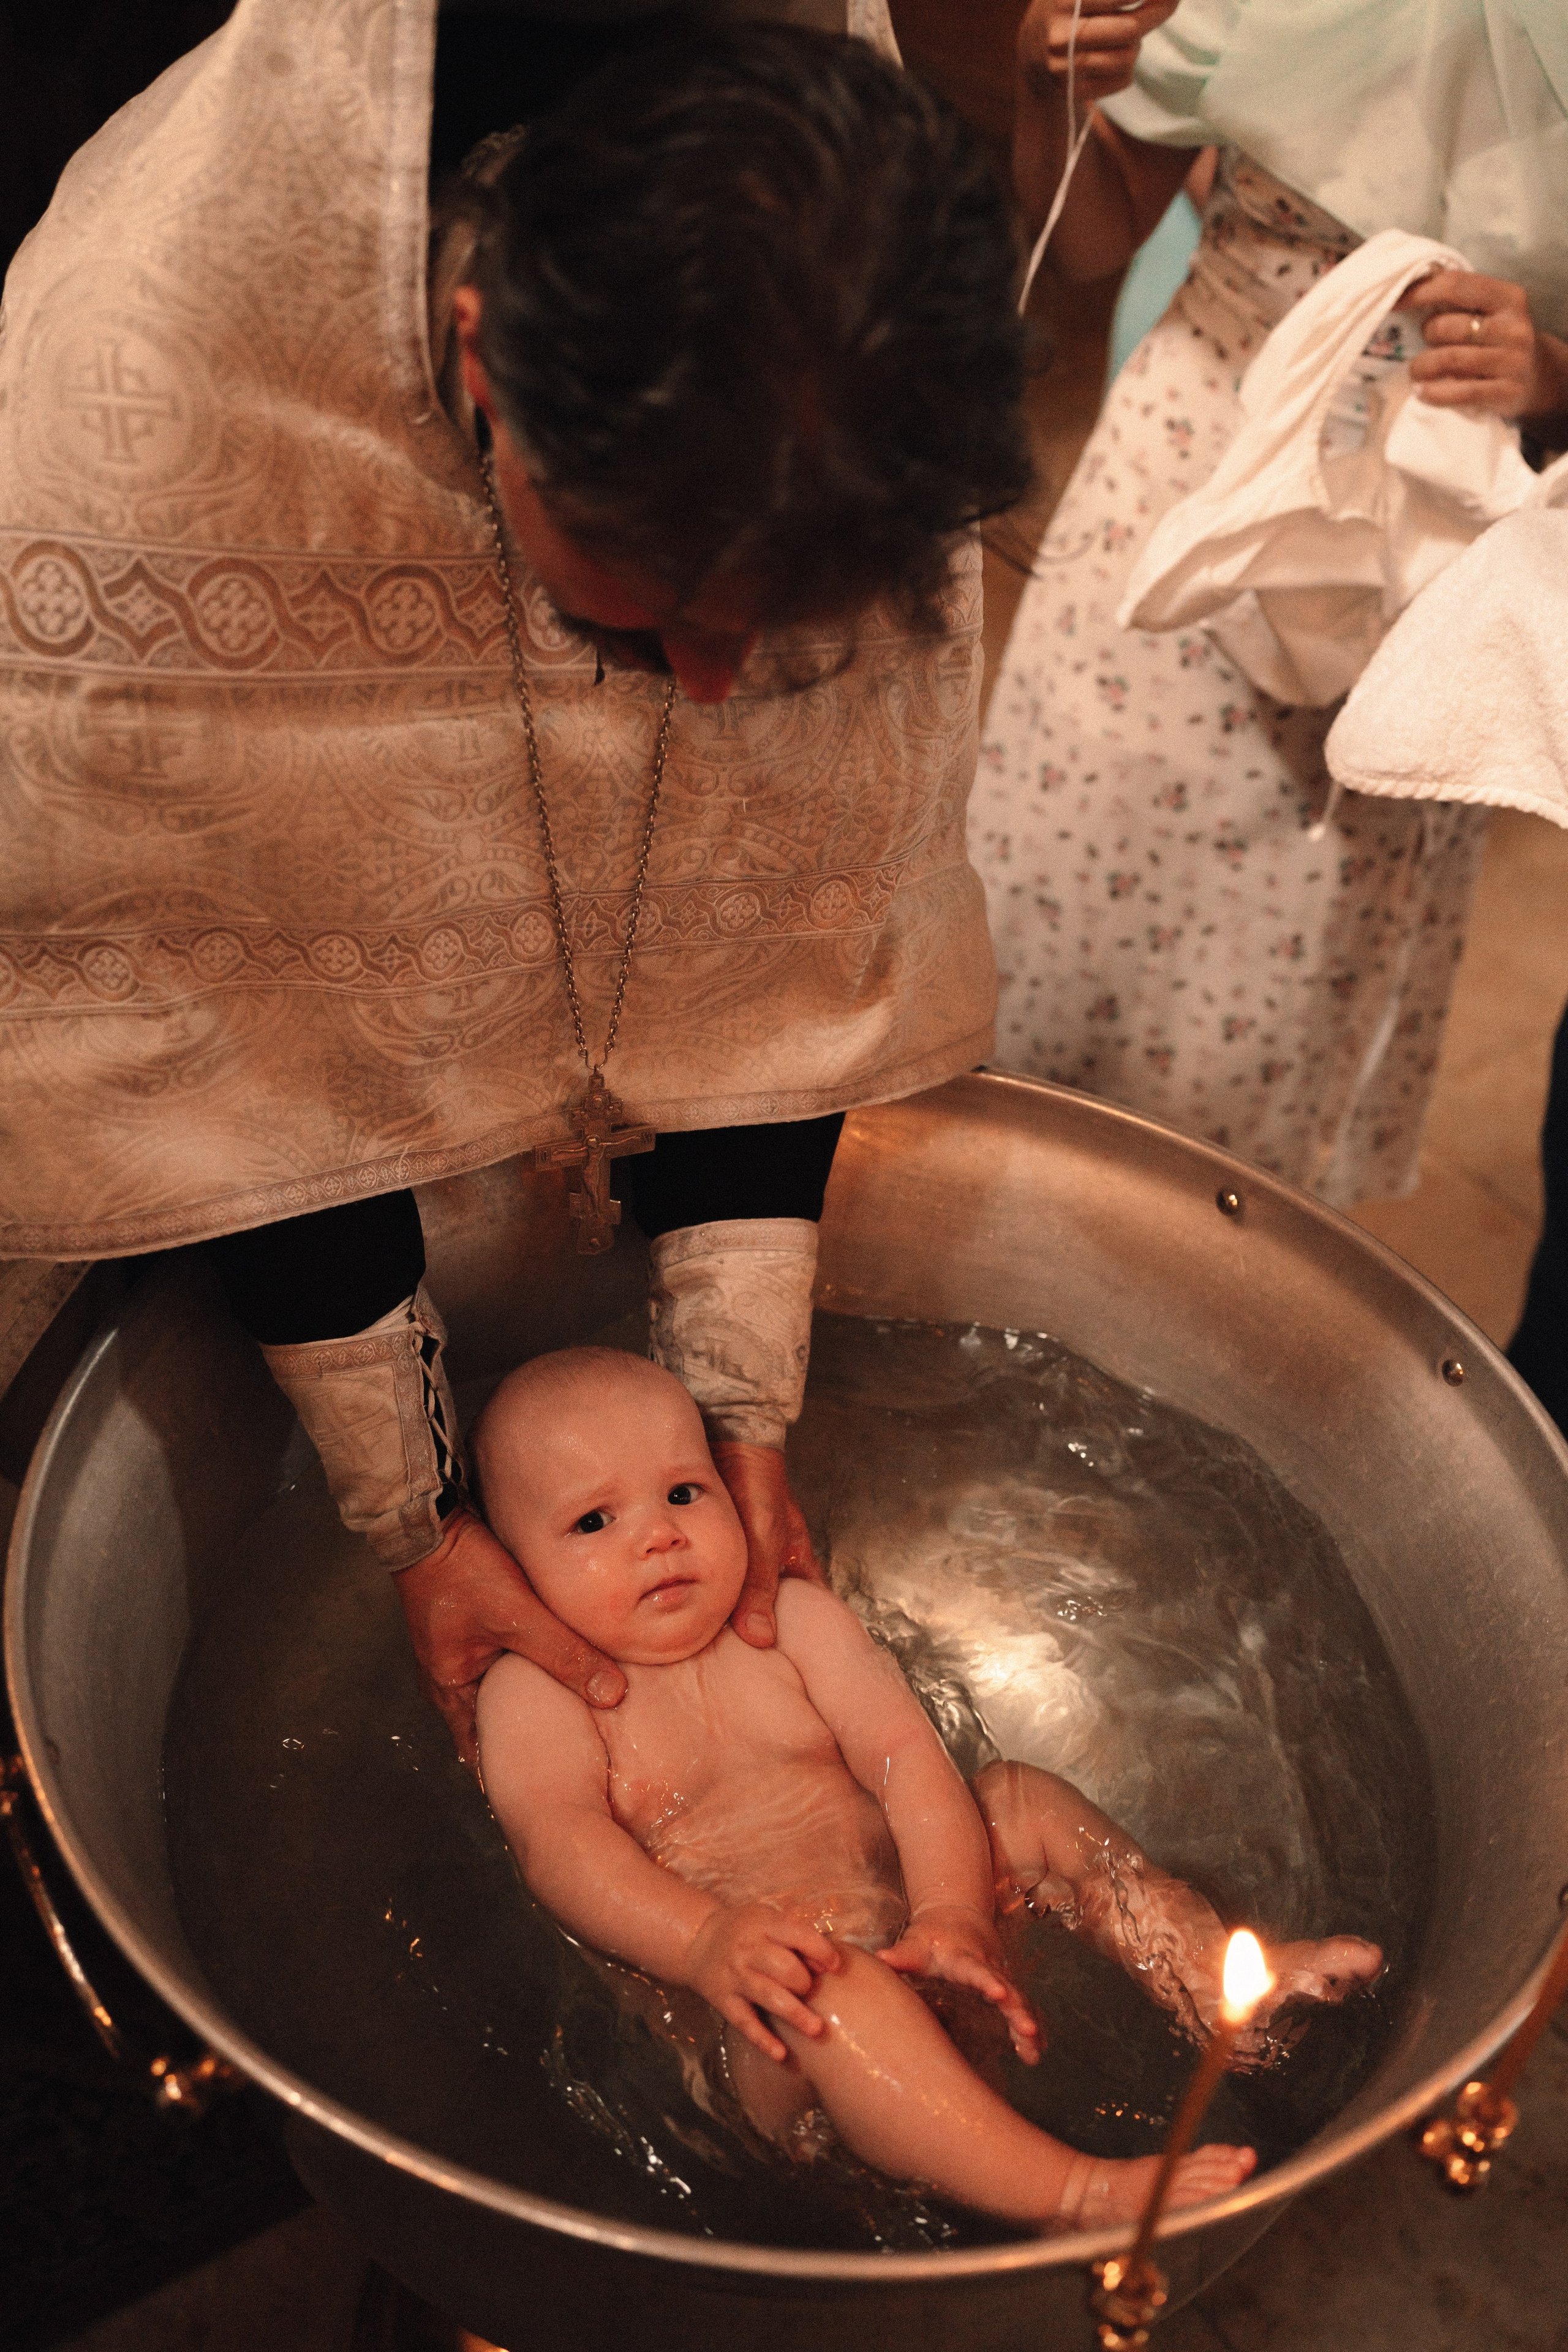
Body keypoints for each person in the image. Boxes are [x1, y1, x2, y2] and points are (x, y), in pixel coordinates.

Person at [0, 3, 1031, 1763]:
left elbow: (783, 904)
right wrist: (409, 1517)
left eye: (779, 633)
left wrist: (740, 1409)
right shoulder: (139, 432)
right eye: (663, 608)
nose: (716, 687)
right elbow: (229, 1007)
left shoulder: (852, 328)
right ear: (481, 367)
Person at [473, 1345, 1382, 2225]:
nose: (659, 1535)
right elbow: (562, 1848)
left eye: (683, 1492)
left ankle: (1220, 1990)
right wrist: (706, 1940)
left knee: (1017, 1798)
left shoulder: (788, 1617)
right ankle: (1072, 2193)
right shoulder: (538, 1694)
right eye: (594, 1522)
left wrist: (952, 1912)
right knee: (830, 1985)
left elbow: (905, 1756)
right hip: (774, 2034)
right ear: (508, 1573)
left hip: (929, 1938)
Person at [972, 0, 1568, 1206]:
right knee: (1049, 940)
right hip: (1184, 489)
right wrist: (1049, 90)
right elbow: (1088, 238)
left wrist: (1556, 374)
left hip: (1430, 544)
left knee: (1277, 1014)